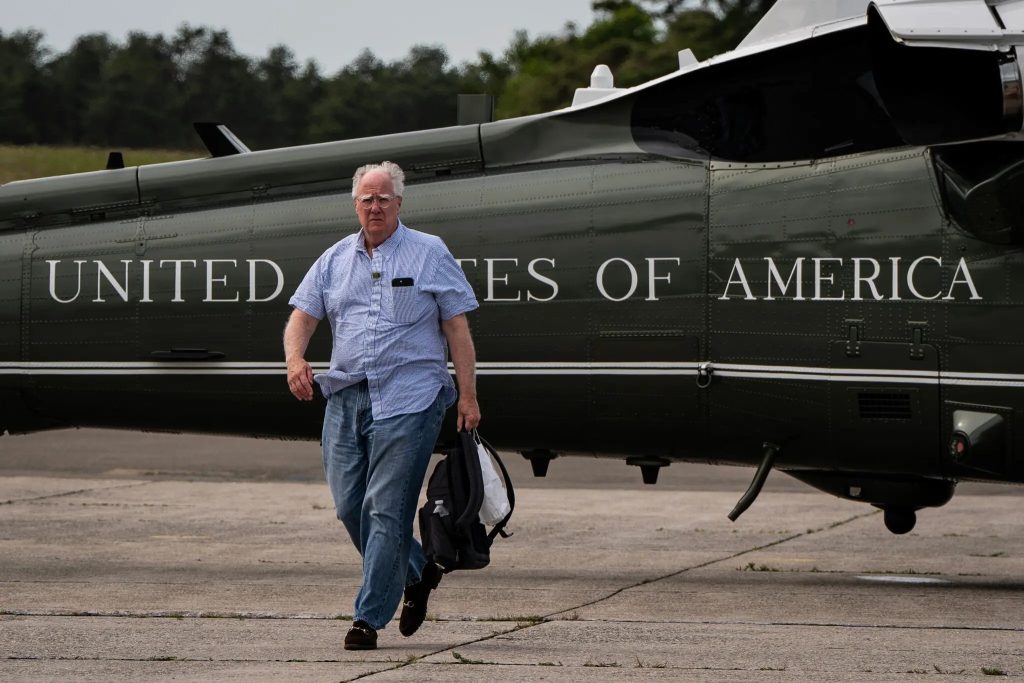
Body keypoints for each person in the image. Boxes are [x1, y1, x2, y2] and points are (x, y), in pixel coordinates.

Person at [283, 160, 480, 651]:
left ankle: (366, 619)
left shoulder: (429, 253)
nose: (375, 206)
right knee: (352, 506)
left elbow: (458, 328)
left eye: (384, 198)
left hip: (411, 398)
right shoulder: (333, 259)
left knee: (385, 510)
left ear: (399, 204)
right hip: (347, 397)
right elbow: (302, 317)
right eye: (367, 199)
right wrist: (294, 359)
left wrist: (469, 396)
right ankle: (416, 571)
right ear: (356, 204)